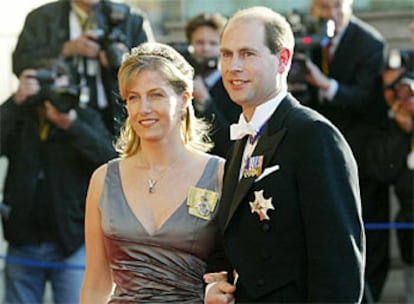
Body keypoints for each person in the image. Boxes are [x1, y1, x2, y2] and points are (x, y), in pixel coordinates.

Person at [204, 6, 364, 303]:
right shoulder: (243, 139)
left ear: (283, 60)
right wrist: (214, 284)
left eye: (248, 54)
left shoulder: (314, 135)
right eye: (226, 54)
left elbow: (338, 266)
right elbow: (232, 239)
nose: (233, 66)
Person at [80, 42, 230, 303]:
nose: (143, 108)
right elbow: (95, 284)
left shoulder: (219, 174)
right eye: (133, 97)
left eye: (156, 95)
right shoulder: (103, 179)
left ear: (184, 99)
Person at [0, 68, 117, 303]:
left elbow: (109, 159)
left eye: (62, 86)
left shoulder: (85, 116)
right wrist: (14, 102)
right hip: (22, 237)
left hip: (70, 241)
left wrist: (71, 126)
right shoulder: (21, 114)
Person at [304, 0, 389, 300]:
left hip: (361, 153)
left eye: (338, 5)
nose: (332, 14)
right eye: (325, 6)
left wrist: (326, 84)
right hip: (320, 154)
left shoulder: (369, 42)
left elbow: (365, 97)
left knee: (367, 230)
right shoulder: (311, 38)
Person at [12, 0, 154, 137]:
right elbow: (21, 64)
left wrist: (125, 63)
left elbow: (152, 72)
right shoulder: (41, 18)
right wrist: (66, 49)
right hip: (57, 112)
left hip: (113, 114)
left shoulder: (130, 18)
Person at [366, 22, 414, 303]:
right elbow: (384, 169)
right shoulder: (388, 123)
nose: (398, 95)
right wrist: (403, 127)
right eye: (391, 88)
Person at [184, 13, 242, 158]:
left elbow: (231, 144)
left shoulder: (236, 85)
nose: (205, 49)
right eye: (199, 42)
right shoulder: (182, 83)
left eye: (213, 43)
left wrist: (205, 102)